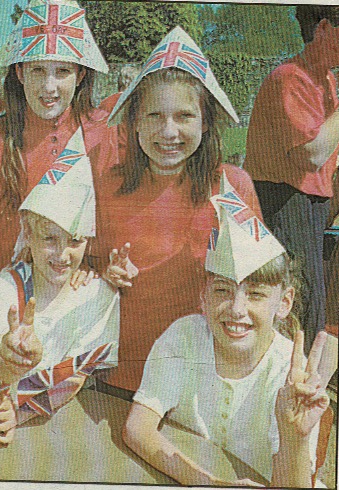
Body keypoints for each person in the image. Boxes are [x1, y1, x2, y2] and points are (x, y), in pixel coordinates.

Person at [123, 175, 330, 487]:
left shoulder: (289, 374)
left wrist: (294, 437)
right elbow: (138, 428)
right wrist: (212, 484)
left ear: (285, 301)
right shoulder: (184, 337)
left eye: (256, 294)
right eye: (223, 290)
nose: (236, 309)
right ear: (203, 296)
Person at [91, 26, 261, 393]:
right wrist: (102, 274)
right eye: (153, 116)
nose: (168, 131)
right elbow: (75, 267)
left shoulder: (232, 186)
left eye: (184, 116)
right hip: (119, 377)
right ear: (134, 122)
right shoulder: (106, 186)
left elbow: (258, 282)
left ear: (206, 121)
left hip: (202, 378)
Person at [0, 0, 117, 281]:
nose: (49, 87)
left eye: (62, 71)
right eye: (37, 70)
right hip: (2, 288)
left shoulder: (100, 132)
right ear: (20, 73)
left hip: (71, 286)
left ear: (81, 75)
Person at [0, 137, 120, 444]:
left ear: (89, 241)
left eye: (75, 241)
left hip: (71, 429)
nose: (62, 255)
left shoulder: (101, 295)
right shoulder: (0, 289)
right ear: (27, 233)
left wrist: (22, 411)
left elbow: (78, 377)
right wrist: (9, 351)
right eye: (49, 239)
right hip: (0, 414)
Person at [243, 5, 339, 350]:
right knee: (298, 298)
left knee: (312, 297)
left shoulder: (325, 79)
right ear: (325, 27)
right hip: (283, 201)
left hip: (309, 203)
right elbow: (312, 154)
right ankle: (290, 382)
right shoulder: (291, 77)